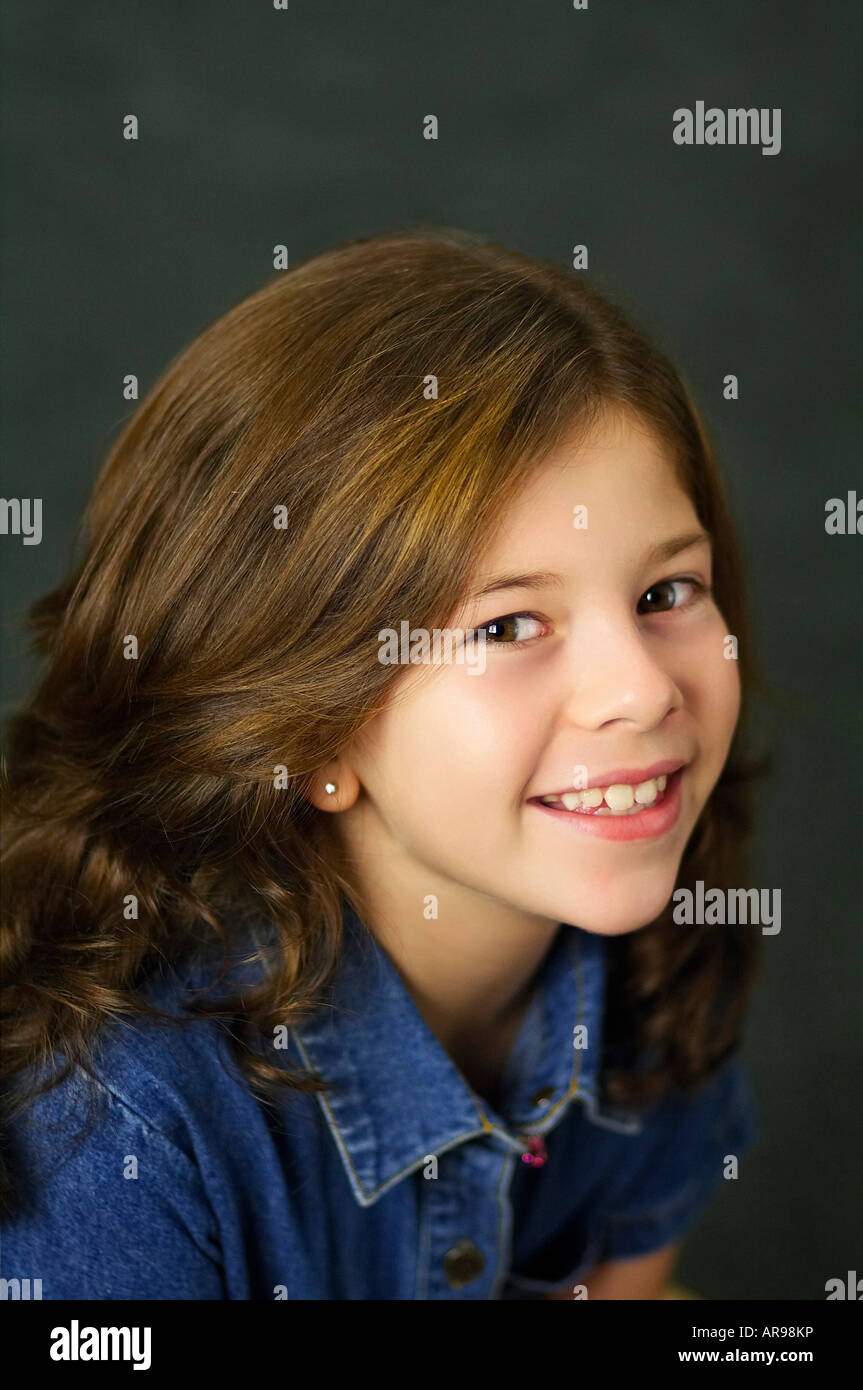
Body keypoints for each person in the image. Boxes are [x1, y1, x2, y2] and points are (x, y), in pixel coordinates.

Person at [0, 228, 763, 1300]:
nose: (640, 689)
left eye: (663, 593)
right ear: (312, 731)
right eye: (504, 627)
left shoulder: (650, 978)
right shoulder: (112, 1129)